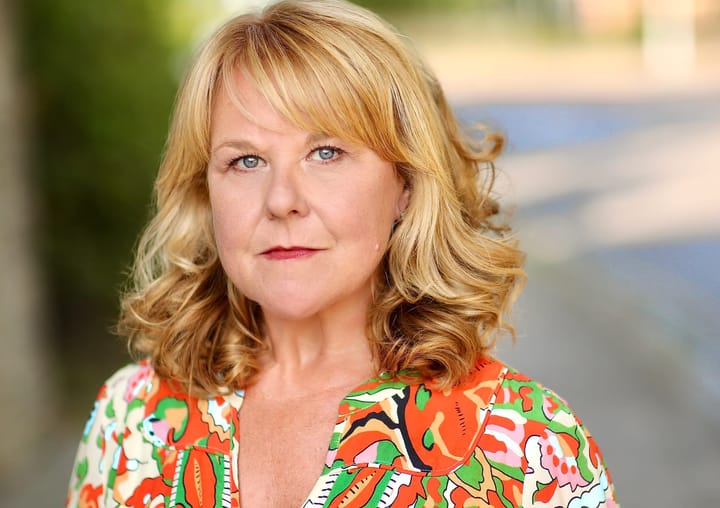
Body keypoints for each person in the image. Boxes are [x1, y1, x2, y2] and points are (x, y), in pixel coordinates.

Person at [66, 0, 618, 506]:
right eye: (246, 161)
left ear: (406, 185)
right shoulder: (129, 420)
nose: (281, 200)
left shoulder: (525, 446)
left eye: (326, 152)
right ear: (205, 192)